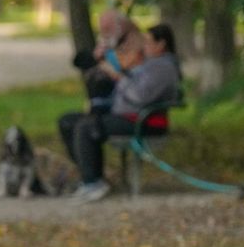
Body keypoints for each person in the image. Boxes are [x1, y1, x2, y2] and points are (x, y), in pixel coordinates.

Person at [68, 23, 182, 203]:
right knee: (70, 121)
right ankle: (91, 177)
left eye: (148, 42)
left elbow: (139, 96)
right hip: (125, 115)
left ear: (161, 45)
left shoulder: (162, 67)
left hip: (144, 122)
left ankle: (93, 183)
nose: (143, 46)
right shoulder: (150, 64)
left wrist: (118, 76)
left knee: (86, 126)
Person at [57, 10, 146, 167]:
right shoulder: (110, 45)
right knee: (68, 122)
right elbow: (81, 62)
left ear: (121, 27)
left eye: (108, 28)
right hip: (105, 104)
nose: (105, 32)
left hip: (126, 108)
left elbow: (131, 79)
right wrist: (97, 56)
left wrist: (110, 67)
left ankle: (93, 179)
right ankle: (87, 175)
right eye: (102, 29)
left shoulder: (136, 45)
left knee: (87, 126)